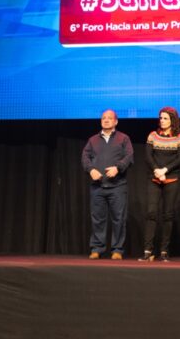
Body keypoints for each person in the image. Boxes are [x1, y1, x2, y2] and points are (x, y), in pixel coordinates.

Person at [81, 109, 134, 260]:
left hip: (117, 186)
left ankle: (117, 250)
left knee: (119, 219)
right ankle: (97, 248)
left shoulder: (123, 138)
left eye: (109, 118)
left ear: (116, 121)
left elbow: (129, 156)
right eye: (103, 118)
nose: (106, 120)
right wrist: (91, 169)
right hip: (97, 186)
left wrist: (118, 168)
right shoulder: (93, 140)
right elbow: (85, 157)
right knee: (98, 219)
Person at [139, 107, 180, 262]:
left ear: (173, 120)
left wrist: (165, 170)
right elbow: (148, 156)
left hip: (171, 178)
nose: (162, 120)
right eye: (161, 118)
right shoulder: (153, 135)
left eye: (165, 118)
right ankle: (148, 251)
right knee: (151, 213)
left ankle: (164, 251)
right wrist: (156, 171)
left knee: (168, 215)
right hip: (154, 178)